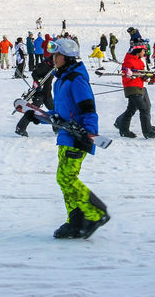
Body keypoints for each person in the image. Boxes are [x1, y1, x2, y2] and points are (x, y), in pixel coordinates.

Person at [47, 37, 110, 239]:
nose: (54, 58)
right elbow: (61, 112)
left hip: (77, 136)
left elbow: (88, 109)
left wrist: (89, 133)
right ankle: (75, 221)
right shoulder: (61, 80)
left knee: (66, 178)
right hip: (65, 136)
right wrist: (39, 117)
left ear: (68, 57)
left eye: (58, 55)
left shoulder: (76, 79)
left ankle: (96, 212)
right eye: (54, 54)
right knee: (64, 179)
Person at [115, 42, 155, 139]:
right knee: (143, 109)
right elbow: (125, 78)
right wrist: (128, 74)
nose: (145, 52)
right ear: (138, 51)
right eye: (144, 50)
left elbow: (143, 77)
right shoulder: (128, 61)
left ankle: (123, 129)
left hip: (140, 87)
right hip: (132, 88)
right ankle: (147, 132)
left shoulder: (140, 62)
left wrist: (153, 77)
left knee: (133, 109)